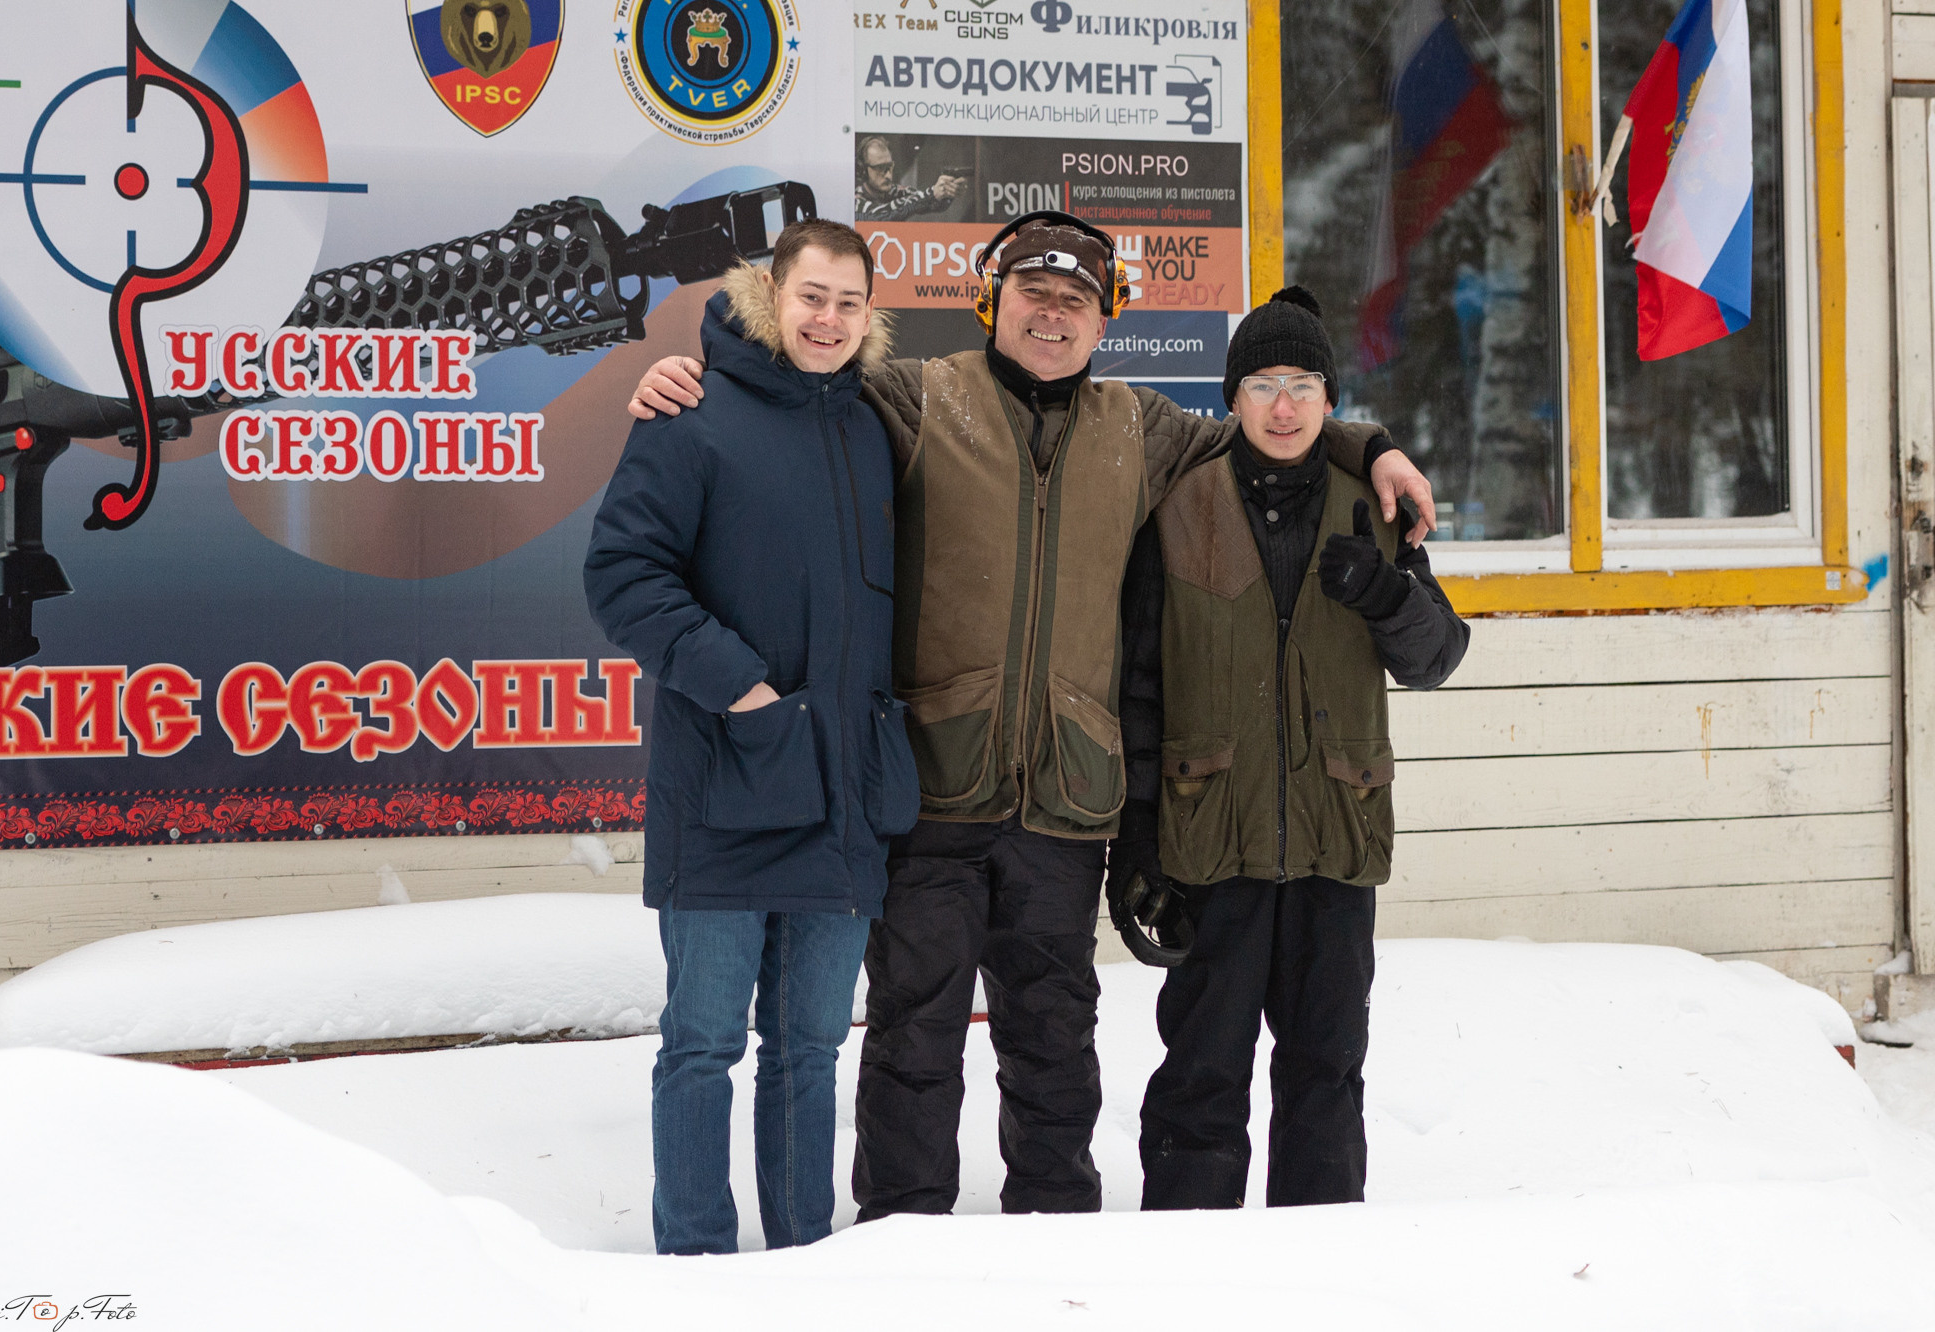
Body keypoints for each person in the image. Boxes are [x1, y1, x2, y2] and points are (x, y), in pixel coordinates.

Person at [625, 213, 1439, 1222]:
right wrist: (694, 372)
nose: (1051, 318)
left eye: (1074, 304)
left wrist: (1377, 444)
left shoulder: (1141, 429)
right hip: (933, 788)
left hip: (1064, 799)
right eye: (1032, 297)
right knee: (913, 1040)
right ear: (990, 303)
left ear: (1103, 321)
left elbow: (1273, 432)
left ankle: (1055, 1240)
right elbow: (798, 385)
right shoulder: (916, 397)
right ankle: (902, 1238)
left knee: (1052, 1043)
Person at [583, 219, 920, 1256]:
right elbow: (622, 577)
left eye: (847, 302)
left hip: (842, 795)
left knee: (811, 1048)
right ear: (769, 296)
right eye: (809, 296)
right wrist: (742, 692)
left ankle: (803, 1256)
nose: (826, 319)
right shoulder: (690, 414)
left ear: (869, 318)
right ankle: (693, 1264)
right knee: (701, 1045)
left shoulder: (874, 427)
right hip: (724, 781)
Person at [1108, 285, 1469, 1211]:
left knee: (1324, 1075)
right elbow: (1140, 682)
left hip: (1332, 844)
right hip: (1210, 845)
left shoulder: (1373, 504)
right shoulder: (1179, 501)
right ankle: (1191, 1272)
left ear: (1329, 399)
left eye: (1303, 384)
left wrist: (1387, 595)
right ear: (1231, 396)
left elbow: (1438, 659)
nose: (1282, 405)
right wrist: (1137, 839)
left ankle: (1319, 1280)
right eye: (1263, 383)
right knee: (1201, 1075)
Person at [855, 134, 964, 222]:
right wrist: (931, 194)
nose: (888, 175)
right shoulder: (856, 201)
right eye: (880, 168)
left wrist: (947, 192)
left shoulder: (894, 191)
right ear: (863, 170)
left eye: (889, 167)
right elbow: (880, 215)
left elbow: (929, 203)